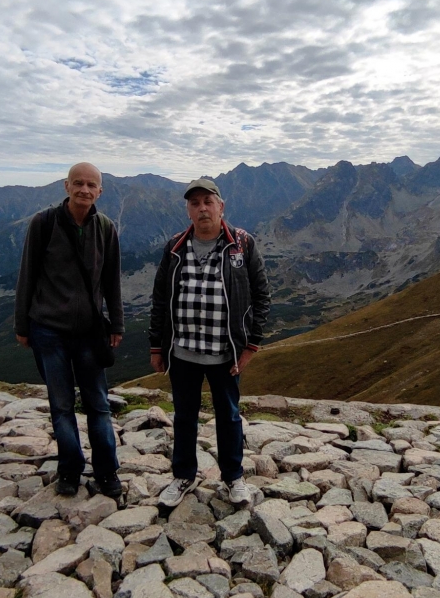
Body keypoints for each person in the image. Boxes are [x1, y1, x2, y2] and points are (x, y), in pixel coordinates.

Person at [149, 178, 271, 507]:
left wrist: (251, 345)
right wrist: (157, 346)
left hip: (225, 353)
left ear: (221, 207)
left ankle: (233, 478)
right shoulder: (175, 246)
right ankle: (183, 475)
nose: (202, 208)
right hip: (182, 351)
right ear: (188, 211)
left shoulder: (242, 244)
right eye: (195, 203)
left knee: (228, 415)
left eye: (208, 201)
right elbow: (160, 298)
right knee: (184, 416)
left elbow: (261, 296)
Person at [14, 162, 124, 498]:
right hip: (48, 330)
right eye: (78, 183)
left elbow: (112, 280)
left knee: (98, 404)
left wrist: (117, 323)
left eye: (91, 185)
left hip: (90, 331)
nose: (84, 190)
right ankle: (69, 470)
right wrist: (22, 325)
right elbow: (27, 274)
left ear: (100, 191)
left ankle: (107, 471)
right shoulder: (44, 223)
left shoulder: (105, 228)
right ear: (66, 186)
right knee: (61, 405)